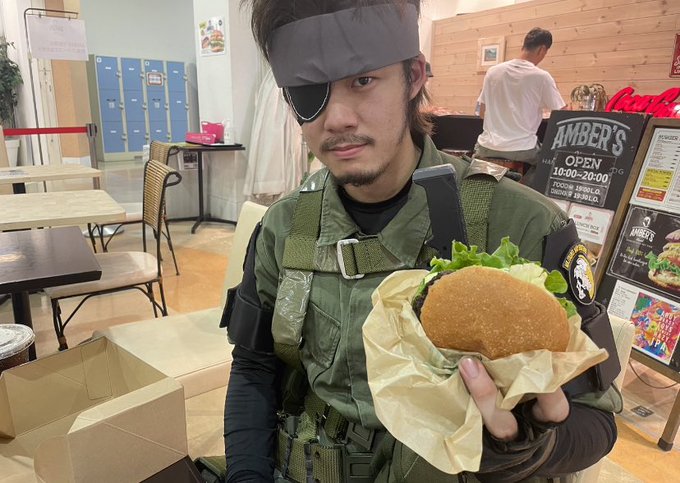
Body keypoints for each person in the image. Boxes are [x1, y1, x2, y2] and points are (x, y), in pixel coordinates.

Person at [223, 2, 620, 482]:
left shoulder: (524, 224)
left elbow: (596, 420)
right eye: (308, 92)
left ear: (413, 76)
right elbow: (253, 367)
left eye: (362, 80)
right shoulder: (285, 226)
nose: (337, 118)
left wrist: (521, 448)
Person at [473, 28, 566, 182]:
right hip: (522, 149)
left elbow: (482, 112)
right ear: (542, 49)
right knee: (548, 162)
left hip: (486, 146)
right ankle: (522, 190)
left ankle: (493, 189)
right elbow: (562, 115)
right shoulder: (542, 77)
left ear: (524, 45)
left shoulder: (493, 72)